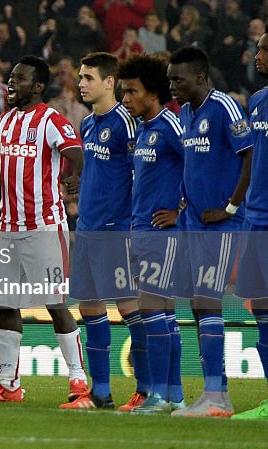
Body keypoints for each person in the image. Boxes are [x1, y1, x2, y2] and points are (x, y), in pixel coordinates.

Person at [0, 56, 90, 404]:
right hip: (7, 229)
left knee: (55, 303)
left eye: (19, 79)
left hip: (44, 226)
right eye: (10, 78)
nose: (11, 84)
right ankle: (9, 385)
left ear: (37, 86)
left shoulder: (51, 120)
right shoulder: (3, 122)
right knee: (4, 304)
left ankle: (79, 382)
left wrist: (75, 177)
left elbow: (76, 152)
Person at [168, 46, 252, 417]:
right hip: (193, 223)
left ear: (200, 76)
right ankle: (216, 393)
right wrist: (183, 203)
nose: (172, 85)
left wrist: (231, 206)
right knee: (198, 305)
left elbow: (250, 155)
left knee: (207, 299)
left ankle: (216, 396)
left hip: (222, 223)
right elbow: (194, 165)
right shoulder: (186, 112)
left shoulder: (226, 107)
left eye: (178, 79)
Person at [64, 52, 147, 411]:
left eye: (89, 78)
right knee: (90, 305)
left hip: (117, 228)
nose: (82, 83)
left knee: (130, 307)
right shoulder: (87, 123)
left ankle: (146, 388)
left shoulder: (126, 123)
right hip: (87, 228)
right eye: (81, 77)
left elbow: (139, 174)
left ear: (110, 82)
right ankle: (100, 392)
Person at [118, 54, 187, 413]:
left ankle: (159, 394)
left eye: (132, 91)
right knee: (164, 314)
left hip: (162, 233)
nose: (126, 98)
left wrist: (180, 209)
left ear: (153, 93)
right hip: (142, 229)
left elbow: (199, 164)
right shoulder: (144, 129)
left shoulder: (170, 126)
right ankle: (173, 393)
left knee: (150, 308)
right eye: (123, 91)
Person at [232, 32, 268, 419]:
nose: (257, 56)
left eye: (264, 50)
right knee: (259, 306)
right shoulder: (257, 102)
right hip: (254, 218)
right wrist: (235, 205)